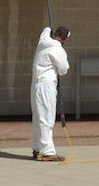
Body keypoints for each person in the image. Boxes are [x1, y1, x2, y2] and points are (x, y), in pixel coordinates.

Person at [30, 25, 70, 161]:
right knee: (46, 117)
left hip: (35, 84)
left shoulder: (43, 41)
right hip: (46, 85)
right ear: (64, 39)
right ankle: (47, 150)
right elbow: (63, 70)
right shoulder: (58, 49)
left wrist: (49, 28)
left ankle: (37, 147)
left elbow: (45, 30)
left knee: (37, 116)